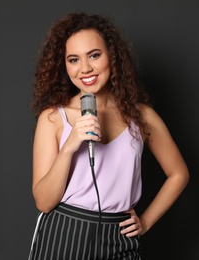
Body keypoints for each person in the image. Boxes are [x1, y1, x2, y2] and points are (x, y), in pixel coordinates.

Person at [28, 12, 189, 260]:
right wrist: (70, 147)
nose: (85, 68)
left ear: (111, 56)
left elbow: (178, 174)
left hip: (119, 237)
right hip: (65, 234)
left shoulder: (141, 116)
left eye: (94, 55)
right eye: (73, 59)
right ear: (64, 65)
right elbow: (44, 202)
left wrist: (145, 222)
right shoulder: (52, 118)